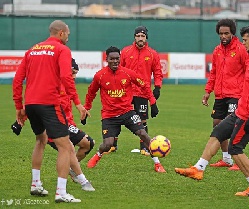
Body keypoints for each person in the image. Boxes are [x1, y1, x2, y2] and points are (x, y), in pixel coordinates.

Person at [175, 24, 249, 197]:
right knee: (218, 131)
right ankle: (198, 169)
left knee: (236, 148)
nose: (243, 43)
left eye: (244, 40)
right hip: (243, 109)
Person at [12, 20, 89, 203]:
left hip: (31, 104)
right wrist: (77, 102)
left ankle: (36, 184)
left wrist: (18, 107)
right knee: (65, 146)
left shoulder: (32, 50)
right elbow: (65, 76)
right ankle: (61, 192)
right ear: (61, 33)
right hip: (49, 104)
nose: (68, 37)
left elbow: (17, 79)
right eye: (68, 34)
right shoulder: (62, 50)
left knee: (41, 140)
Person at [11, 59, 96, 190]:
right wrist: (21, 121)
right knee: (69, 149)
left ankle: (70, 169)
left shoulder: (68, 85)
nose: (74, 76)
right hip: (54, 124)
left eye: (76, 74)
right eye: (72, 72)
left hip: (67, 122)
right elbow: (38, 103)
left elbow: (71, 101)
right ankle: (80, 180)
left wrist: (81, 109)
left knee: (87, 144)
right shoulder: (52, 84)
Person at [85, 46, 166, 173]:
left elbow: (144, 85)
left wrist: (153, 102)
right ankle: (98, 155)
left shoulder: (128, 73)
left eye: (117, 59)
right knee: (107, 144)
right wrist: (86, 109)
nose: (115, 61)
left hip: (127, 112)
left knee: (143, 134)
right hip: (109, 116)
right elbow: (91, 93)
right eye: (112, 59)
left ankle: (157, 164)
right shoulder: (100, 76)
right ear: (107, 59)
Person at [202, 19, 248, 171]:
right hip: (220, 95)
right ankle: (226, 159)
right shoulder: (217, 50)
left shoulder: (241, 49)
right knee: (217, 124)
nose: (223, 36)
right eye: (221, 33)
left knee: (233, 126)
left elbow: (248, 71)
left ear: (232, 33)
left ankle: (238, 159)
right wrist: (208, 91)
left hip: (236, 94)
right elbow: (213, 73)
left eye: (226, 33)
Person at [110, 26, 163, 156]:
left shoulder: (152, 54)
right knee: (117, 117)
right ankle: (112, 145)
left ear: (146, 38)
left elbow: (157, 72)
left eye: (143, 36)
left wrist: (157, 86)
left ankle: (144, 147)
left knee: (142, 120)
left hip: (142, 92)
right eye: (138, 36)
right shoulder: (126, 51)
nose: (140, 38)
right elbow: (118, 69)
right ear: (134, 37)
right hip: (125, 92)